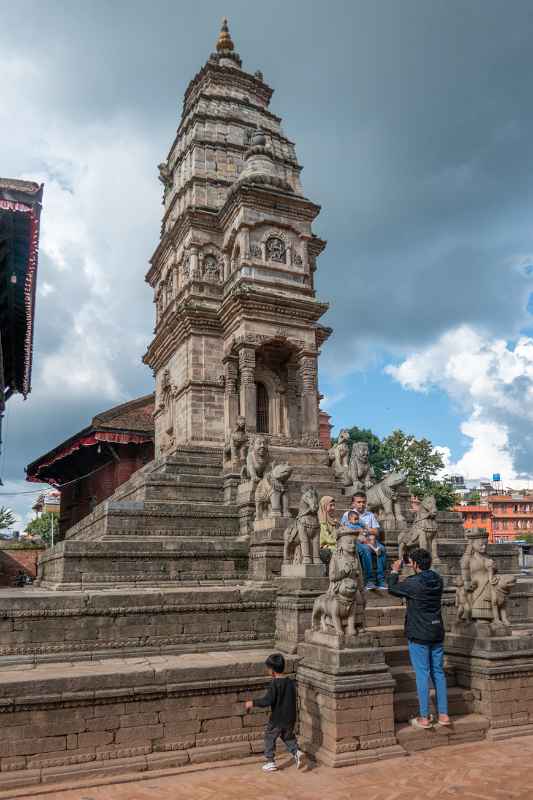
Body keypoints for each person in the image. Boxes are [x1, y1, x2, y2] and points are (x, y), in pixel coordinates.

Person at [387, 548, 450, 730]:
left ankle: (424, 717)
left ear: (414, 564)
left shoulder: (413, 583)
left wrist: (394, 571)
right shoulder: (438, 579)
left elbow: (392, 588)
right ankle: (444, 714)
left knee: (422, 674)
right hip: (436, 631)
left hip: (419, 633)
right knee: (438, 672)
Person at [245, 653, 306, 772]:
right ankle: (297, 752)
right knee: (287, 736)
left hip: (277, 719)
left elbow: (267, 700)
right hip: (290, 718)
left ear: (272, 670)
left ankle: (270, 761)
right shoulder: (290, 682)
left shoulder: (274, 684)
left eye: (268, 668)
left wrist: (252, 702)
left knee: (269, 736)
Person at [318, 495, 337, 571]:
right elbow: (326, 538)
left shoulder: (331, 520)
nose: (333, 508)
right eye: (331, 505)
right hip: (325, 546)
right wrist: (338, 542)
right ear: (324, 506)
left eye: (334, 505)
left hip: (333, 544)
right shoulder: (321, 521)